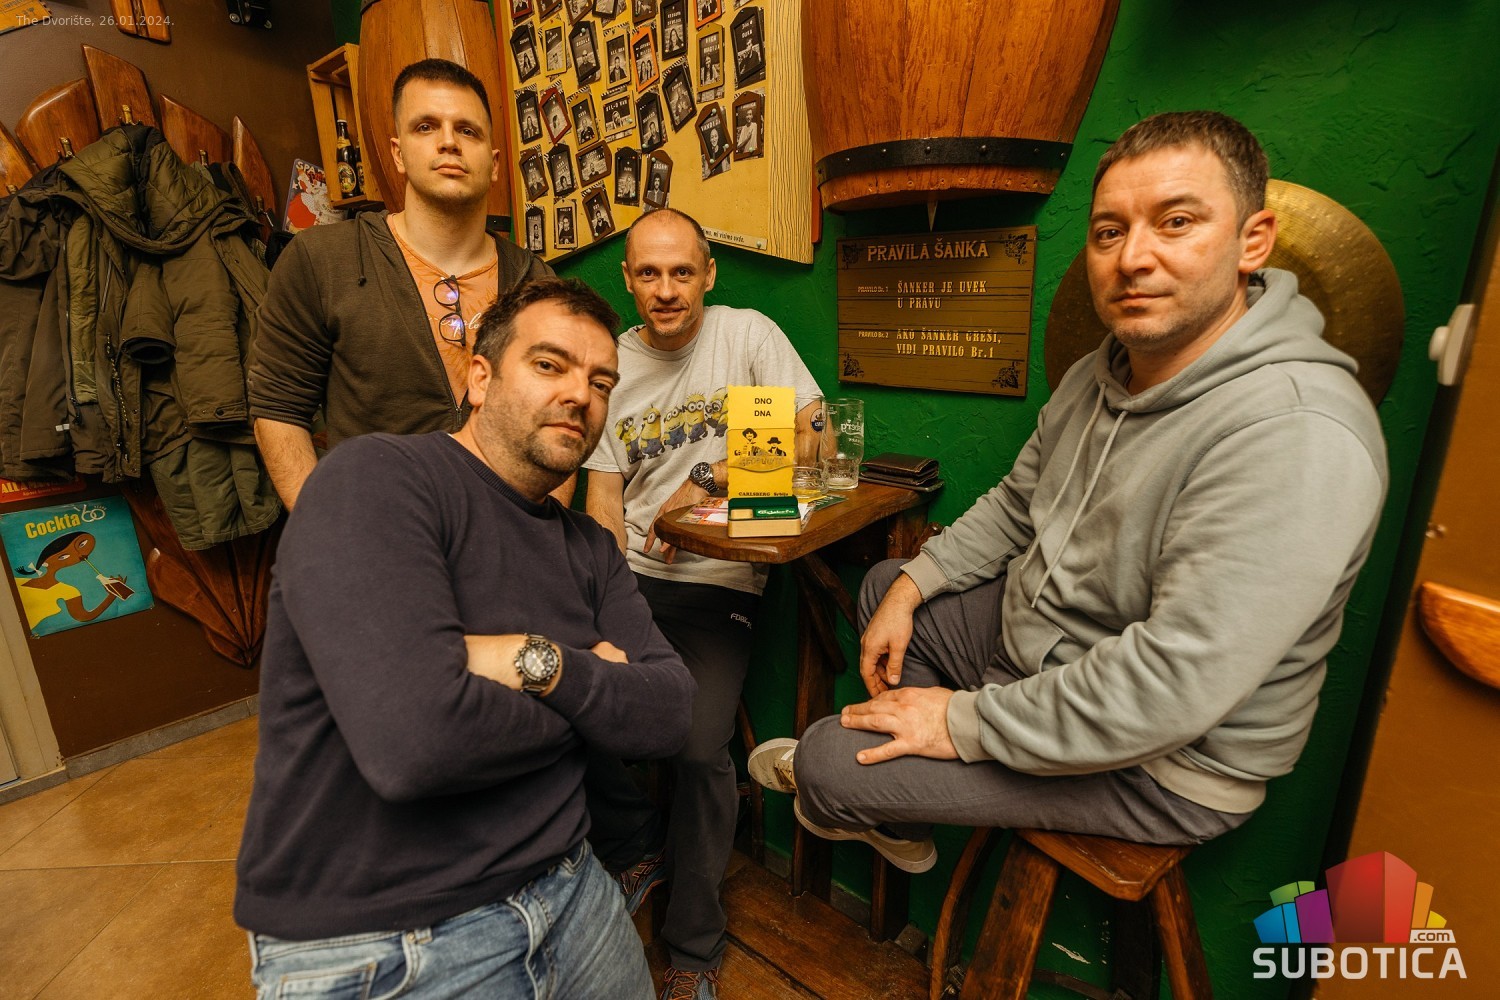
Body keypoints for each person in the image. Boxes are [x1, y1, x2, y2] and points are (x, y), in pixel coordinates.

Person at [747, 111, 1389, 871]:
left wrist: (962, 722)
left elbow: (1169, 689)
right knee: (891, 583)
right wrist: (914, 588)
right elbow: (1019, 504)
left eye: (1176, 222)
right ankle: (901, 801)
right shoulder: (1099, 371)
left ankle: (870, 791)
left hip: (1162, 760)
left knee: (825, 764)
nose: (1133, 258)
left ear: (1254, 242)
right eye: (1110, 232)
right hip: (1052, 645)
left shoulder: (1297, 431)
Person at [237, 278, 696, 1000]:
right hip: (388, 937)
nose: (580, 395)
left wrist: (534, 662)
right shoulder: (375, 481)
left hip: (573, 886)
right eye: (549, 365)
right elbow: (415, 743)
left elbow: (669, 713)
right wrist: (598, 696)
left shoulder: (589, 547)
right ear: (480, 379)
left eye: (601, 381)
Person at [584, 209, 822, 1000]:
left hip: (720, 580)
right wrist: (603, 599)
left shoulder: (747, 336)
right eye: (649, 274)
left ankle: (693, 946)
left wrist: (710, 480)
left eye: (681, 272)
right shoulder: (610, 362)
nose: (666, 289)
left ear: (708, 274)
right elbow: (604, 498)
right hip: (632, 577)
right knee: (560, 692)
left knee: (694, 749)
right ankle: (637, 844)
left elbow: (817, 440)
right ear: (627, 280)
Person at [248, 59, 553, 512]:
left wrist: (537, 532)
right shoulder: (322, 259)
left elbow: (554, 419)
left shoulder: (536, 282)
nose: (448, 141)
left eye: (468, 130)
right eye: (425, 127)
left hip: (503, 537)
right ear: (397, 154)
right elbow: (277, 408)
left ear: (493, 164)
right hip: (375, 532)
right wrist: (326, 529)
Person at [13, 532, 124, 630]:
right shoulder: (16, 581)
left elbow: (84, 616)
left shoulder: (68, 591)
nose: (80, 555)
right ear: (45, 563)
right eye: (63, 556)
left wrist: (112, 595)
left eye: (82, 544)